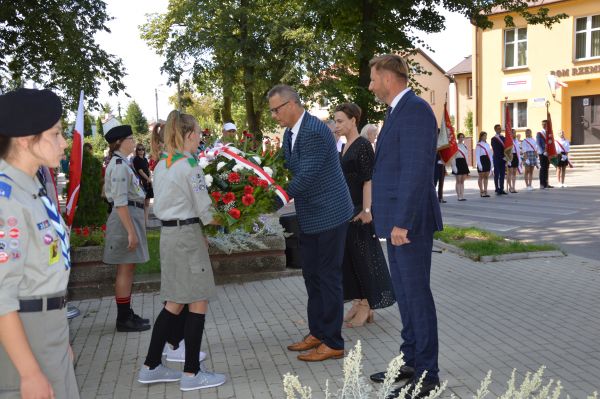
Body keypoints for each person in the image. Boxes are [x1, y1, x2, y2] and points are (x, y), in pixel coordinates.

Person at [367, 54, 443, 398]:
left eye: (373, 78)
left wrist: (402, 223)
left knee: (416, 296)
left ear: (387, 77)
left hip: (407, 224)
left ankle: (428, 375)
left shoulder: (414, 110)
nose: (370, 85)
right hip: (397, 223)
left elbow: (416, 171)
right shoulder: (397, 110)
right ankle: (410, 360)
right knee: (406, 298)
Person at [0, 88, 80, 398]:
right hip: (25, 331)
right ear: (24, 139)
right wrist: (30, 372)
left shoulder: (32, 187)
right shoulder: (7, 199)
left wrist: (60, 338)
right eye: (56, 133)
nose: (63, 143)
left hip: (48, 327)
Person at [138, 110, 225, 391]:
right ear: (188, 135)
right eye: (198, 133)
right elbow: (206, 211)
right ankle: (191, 373)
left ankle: (151, 366)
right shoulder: (189, 166)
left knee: (175, 301)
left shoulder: (162, 164)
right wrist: (235, 215)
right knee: (197, 299)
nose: (201, 137)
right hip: (186, 236)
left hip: (170, 235)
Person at [268, 84, 353, 362]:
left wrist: (272, 202)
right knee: (312, 276)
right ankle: (318, 332)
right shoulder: (290, 134)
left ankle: (333, 342)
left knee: (328, 278)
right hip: (310, 215)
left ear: (292, 104)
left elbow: (305, 177)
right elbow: (282, 168)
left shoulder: (315, 132)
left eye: (276, 110)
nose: (274, 116)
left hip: (329, 214)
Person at [334, 103, 395, 328]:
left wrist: (367, 210)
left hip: (360, 209)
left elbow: (369, 179)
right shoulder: (344, 145)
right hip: (346, 209)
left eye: (340, 121)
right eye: (335, 121)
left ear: (353, 120)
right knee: (351, 258)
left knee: (365, 257)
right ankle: (359, 301)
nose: (336, 125)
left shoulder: (363, 145)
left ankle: (368, 304)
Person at [103, 125, 150, 332]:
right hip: (125, 217)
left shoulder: (124, 163)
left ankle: (127, 313)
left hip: (130, 215)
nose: (134, 141)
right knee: (124, 267)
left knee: (129, 267)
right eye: (130, 138)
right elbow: (120, 202)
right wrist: (131, 231)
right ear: (120, 142)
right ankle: (123, 318)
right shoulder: (120, 165)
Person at [133, 143, 154, 223]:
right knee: (141, 202)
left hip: (147, 181)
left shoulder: (145, 159)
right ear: (137, 150)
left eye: (142, 149)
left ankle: (146, 221)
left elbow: (148, 169)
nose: (141, 151)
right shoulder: (136, 159)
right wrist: (148, 179)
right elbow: (140, 171)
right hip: (141, 182)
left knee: (147, 203)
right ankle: (141, 221)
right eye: (139, 149)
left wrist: (150, 178)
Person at [451, 133, 470, 201]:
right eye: (460, 137)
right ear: (458, 138)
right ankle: (458, 196)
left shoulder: (465, 146)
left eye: (463, 137)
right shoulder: (455, 146)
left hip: (463, 163)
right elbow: (453, 157)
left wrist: (467, 164)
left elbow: (467, 156)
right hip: (457, 163)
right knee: (458, 181)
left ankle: (462, 195)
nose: (462, 138)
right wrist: (454, 166)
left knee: (462, 181)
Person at [491, 124, 508, 195]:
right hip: (497, 158)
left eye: (500, 128)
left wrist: (506, 156)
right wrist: (502, 156)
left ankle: (502, 188)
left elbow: (506, 147)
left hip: (503, 158)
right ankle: (497, 188)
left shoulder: (503, 138)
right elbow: (496, 149)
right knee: (497, 174)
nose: (499, 130)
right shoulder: (494, 139)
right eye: (498, 128)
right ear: (495, 130)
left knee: (502, 174)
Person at [537, 120, 554, 189]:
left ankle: (546, 183)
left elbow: (551, 143)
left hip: (548, 153)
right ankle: (542, 184)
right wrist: (543, 151)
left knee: (547, 168)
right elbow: (538, 143)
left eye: (545, 124)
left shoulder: (548, 133)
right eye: (543, 124)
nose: (544, 125)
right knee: (543, 168)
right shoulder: (539, 133)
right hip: (542, 153)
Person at [475, 131, 492, 197]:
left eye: (486, 136)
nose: (485, 137)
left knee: (486, 177)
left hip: (487, 160)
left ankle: (485, 191)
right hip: (481, 160)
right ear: (481, 136)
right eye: (484, 136)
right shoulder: (478, 144)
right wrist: (479, 164)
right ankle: (481, 191)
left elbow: (490, 154)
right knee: (481, 177)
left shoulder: (487, 144)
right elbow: (477, 155)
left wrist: (491, 163)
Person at [506, 129, 521, 194]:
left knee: (514, 172)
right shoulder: (508, 140)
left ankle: (514, 187)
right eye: (513, 133)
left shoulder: (516, 140)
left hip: (516, 156)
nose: (514, 134)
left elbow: (518, 149)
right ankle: (510, 187)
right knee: (510, 172)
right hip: (510, 156)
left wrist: (519, 158)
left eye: (515, 133)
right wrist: (508, 159)